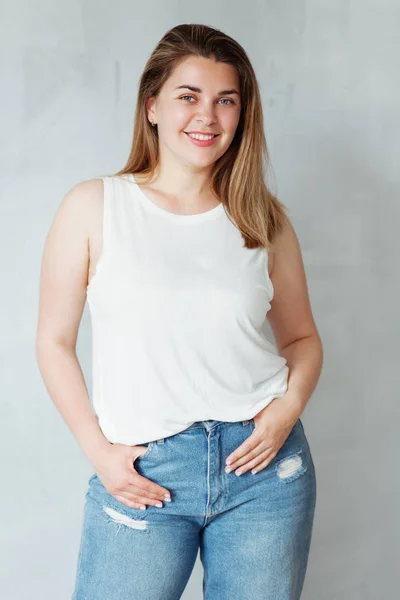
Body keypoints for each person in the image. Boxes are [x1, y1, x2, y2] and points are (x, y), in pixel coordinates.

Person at [36, 23, 323, 600]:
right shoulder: (95, 206)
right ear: (152, 106)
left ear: (243, 115)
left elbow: (302, 340)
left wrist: (286, 411)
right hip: (145, 474)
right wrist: (100, 453)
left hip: (263, 470)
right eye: (188, 96)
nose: (207, 117)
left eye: (226, 101)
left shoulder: (264, 220)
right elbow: (53, 342)